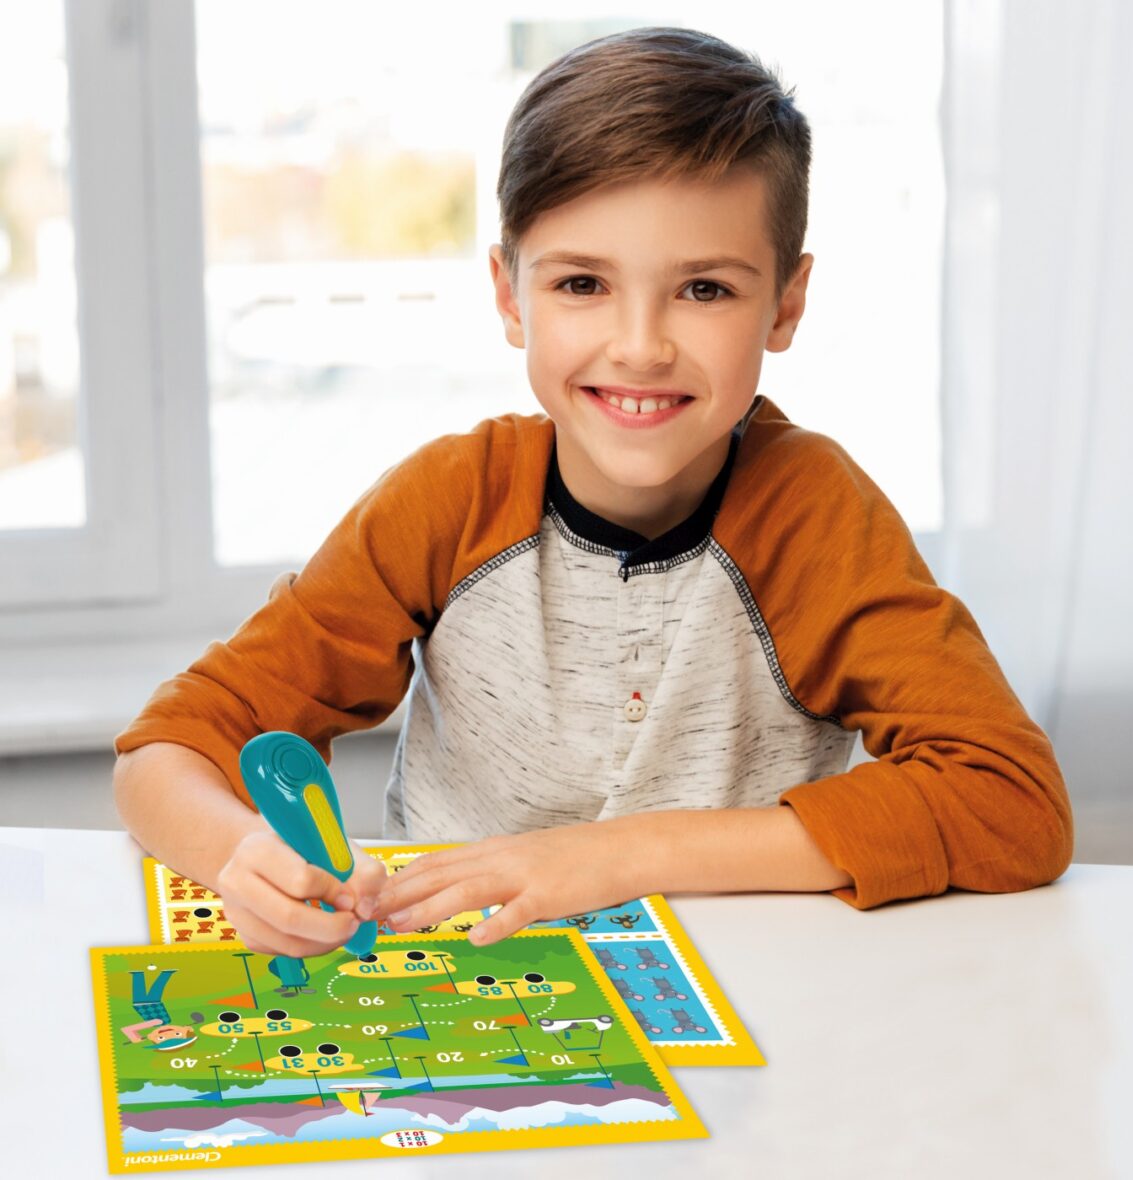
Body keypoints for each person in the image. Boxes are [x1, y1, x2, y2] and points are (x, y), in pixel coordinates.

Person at [113, 27, 1073, 956]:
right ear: (507, 294)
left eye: (704, 290)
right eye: (582, 284)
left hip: (757, 1019)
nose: (642, 344)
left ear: (786, 303)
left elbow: (1012, 802)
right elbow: (165, 751)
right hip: (465, 997)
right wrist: (240, 856)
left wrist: (626, 854)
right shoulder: (448, 504)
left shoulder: (816, 517)